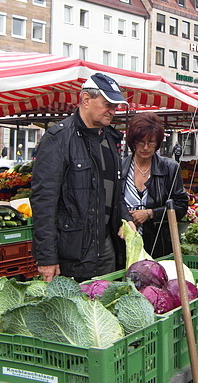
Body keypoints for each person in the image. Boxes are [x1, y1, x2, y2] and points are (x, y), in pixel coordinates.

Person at [31, 73, 135, 282]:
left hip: (107, 246)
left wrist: (126, 218)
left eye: (115, 106)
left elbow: (114, 191)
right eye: (107, 104)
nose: (112, 111)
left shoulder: (110, 140)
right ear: (86, 100)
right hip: (72, 252)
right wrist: (47, 257)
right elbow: (44, 202)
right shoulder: (58, 139)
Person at [121, 113, 188, 257]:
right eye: (141, 142)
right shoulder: (119, 168)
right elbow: (112, 203)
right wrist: (126, 218)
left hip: (159, 245)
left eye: (151, 142)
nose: (145, 147)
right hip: (123, 245)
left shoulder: (170, 168)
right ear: (133, 142)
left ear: (158, 143)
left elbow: (181, 206)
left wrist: (151, 213)